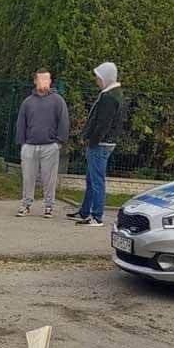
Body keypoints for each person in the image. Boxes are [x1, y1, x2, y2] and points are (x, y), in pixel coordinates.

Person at [71, 62, 125, 227]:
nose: (97, 80)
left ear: (106, 78)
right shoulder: (112, 94)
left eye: (99, 77)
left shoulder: (109, 97)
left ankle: (97, 216)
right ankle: (85, 210)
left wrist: (92, 140)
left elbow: (103, 123)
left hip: (101, 143)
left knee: (96, 180)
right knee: (91, 178)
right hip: (104, 142)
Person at [15, 69, 69, 218]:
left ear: (50, 81)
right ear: (35, 81)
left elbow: (63, 121)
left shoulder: (58, 100)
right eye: (41, 79)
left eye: (47, 79)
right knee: (28, 178)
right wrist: (22, 143)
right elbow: (21, 123)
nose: (44, 82)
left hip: (50, 146)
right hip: (29, 146)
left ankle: (48, 206)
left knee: (49, 179)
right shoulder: (27, 102)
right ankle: (26, 205)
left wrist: (59, 141)